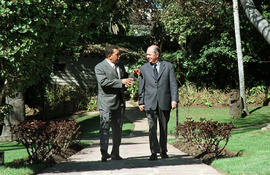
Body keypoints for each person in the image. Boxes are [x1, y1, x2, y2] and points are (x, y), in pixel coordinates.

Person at [95, 45, 136, 162]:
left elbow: (126, 78)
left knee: (118, 129)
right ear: (109, 56)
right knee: (105, 127)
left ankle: (115, 154)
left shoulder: (121, 65)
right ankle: (104, 153)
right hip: (106, 103)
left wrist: (134, 74)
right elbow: (103, 82)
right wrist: (121, 81)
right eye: (117, 54)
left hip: (120, 102)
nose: (119, 56)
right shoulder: (99, 67)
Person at [138, 45, 178, 160]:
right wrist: (141, 101)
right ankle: (154, 152)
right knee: (152, 128)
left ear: (157, 54)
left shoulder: (168, 66)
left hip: (164, 101)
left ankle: (163, 150)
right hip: (150, 102)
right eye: (147, 54)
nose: (147, 57)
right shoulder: (144, 68)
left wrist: (174, 99)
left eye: (149, 54)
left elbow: (173, 84)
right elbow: (142, 86)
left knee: (164, 128)